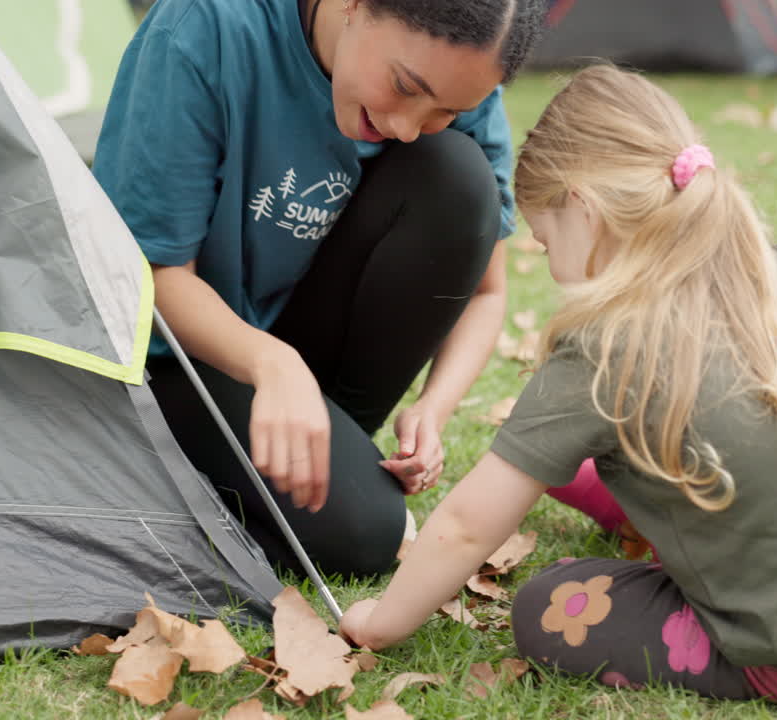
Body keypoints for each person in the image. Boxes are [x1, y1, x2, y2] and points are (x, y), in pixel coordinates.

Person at [340, 65, 777, 704]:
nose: (551, 265)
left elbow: (464, 525)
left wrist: (382, 621)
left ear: (584, 211)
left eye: (545, 242)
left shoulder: (602, 348)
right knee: (556, 462)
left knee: (549, 604)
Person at [93, 0, 547, 577]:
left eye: (446, 110)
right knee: (365, 537)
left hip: (298, 354)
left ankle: (329, 448)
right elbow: (150, 277)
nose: (407, 128)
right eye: (404, 87)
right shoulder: (204, 29)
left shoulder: (457, 67)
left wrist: (433, 409)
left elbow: (487, 292)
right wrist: (272, 364)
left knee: (457, 176)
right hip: (174, 358)